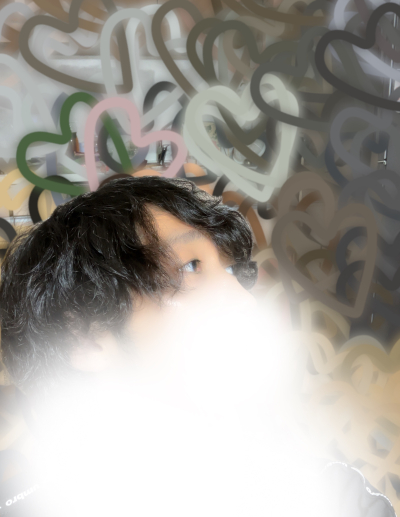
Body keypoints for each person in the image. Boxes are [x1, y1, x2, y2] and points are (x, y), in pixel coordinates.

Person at [0, 176, 395, 517]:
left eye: (234, 271)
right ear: (85, 337)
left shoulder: (336, 499)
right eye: (190, 268)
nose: (243, 301)